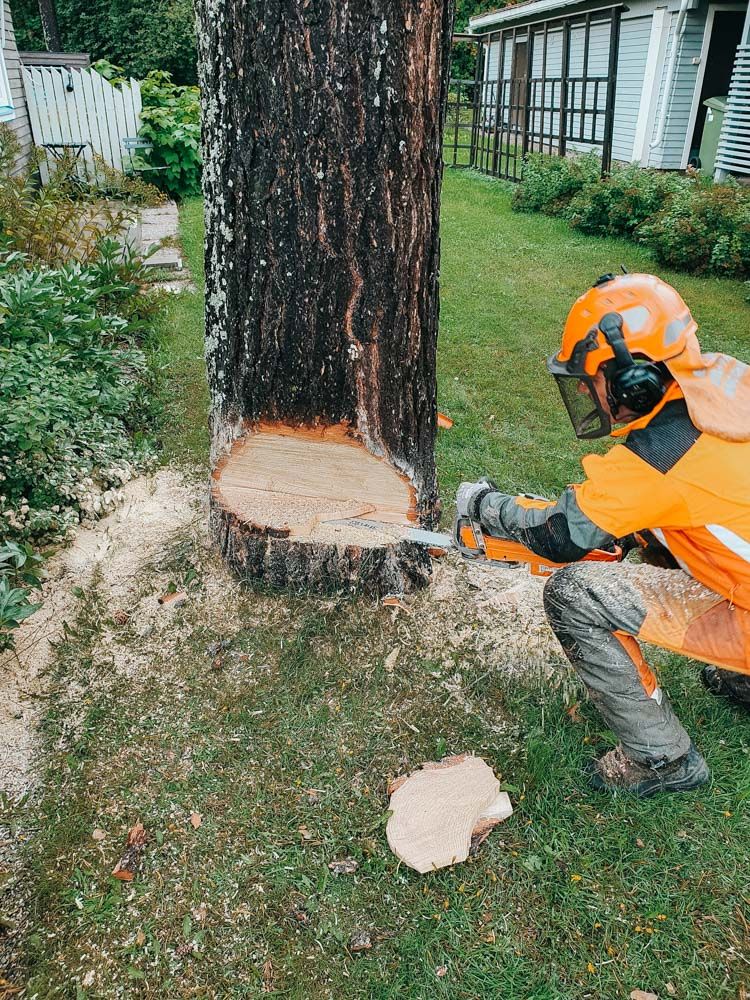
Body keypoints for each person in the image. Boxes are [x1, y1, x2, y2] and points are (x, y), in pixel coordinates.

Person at [457, 273, 750, 798]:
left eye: (591, 380)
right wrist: (642, 532)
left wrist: (485, 506)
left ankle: (662, 761)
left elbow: (559, 536)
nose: (587, 392)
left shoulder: (660, 457)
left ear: (632, 379)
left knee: (575, 595)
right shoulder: (728, 383)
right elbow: (716, 504)